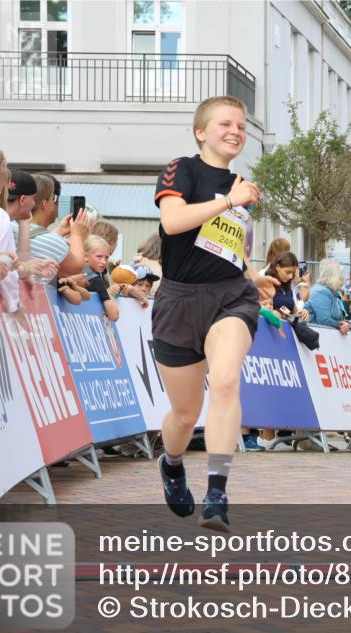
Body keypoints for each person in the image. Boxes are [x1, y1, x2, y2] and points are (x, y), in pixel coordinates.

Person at [151, 95, 278, 532]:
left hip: (230, 297)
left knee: (225, 380)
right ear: (202, 131)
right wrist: (229, 200)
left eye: (241, 126)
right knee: (185, 415)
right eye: (225, 123)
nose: (235, 131)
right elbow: (173, 223)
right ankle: (171, 464)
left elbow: (229, 245)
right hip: (178, 301)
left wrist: (253, 272)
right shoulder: (181, 169)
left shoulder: (243, 185)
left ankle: (217, 492)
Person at [304, 258, 351, 334]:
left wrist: (347, 324)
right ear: (333, 277)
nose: (343, 279)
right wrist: (341, 324)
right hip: (318, 337)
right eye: (341, 276)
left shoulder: (333, 293)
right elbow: (324, 320)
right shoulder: (320, 292)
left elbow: (340, 319)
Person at [82, 235, 119, 321]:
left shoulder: (69, 271)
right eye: (99, 256)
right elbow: (114, 315)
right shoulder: (95, 281)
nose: (103, 262)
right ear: (85, 256)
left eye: (106, 257)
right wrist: (107, 293)